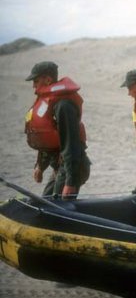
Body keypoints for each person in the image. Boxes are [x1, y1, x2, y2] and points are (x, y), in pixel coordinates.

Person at [25, 61, 91, 199]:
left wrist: (70, 182)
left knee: (57, 208)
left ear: (48, 80)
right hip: (60, 167)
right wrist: (40, 166)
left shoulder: (63, 106)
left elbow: (71, 145)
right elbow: (47, 138)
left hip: (72, 168)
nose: (33, 85)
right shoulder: (48, 102)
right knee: (45, 202)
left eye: (36, 81)